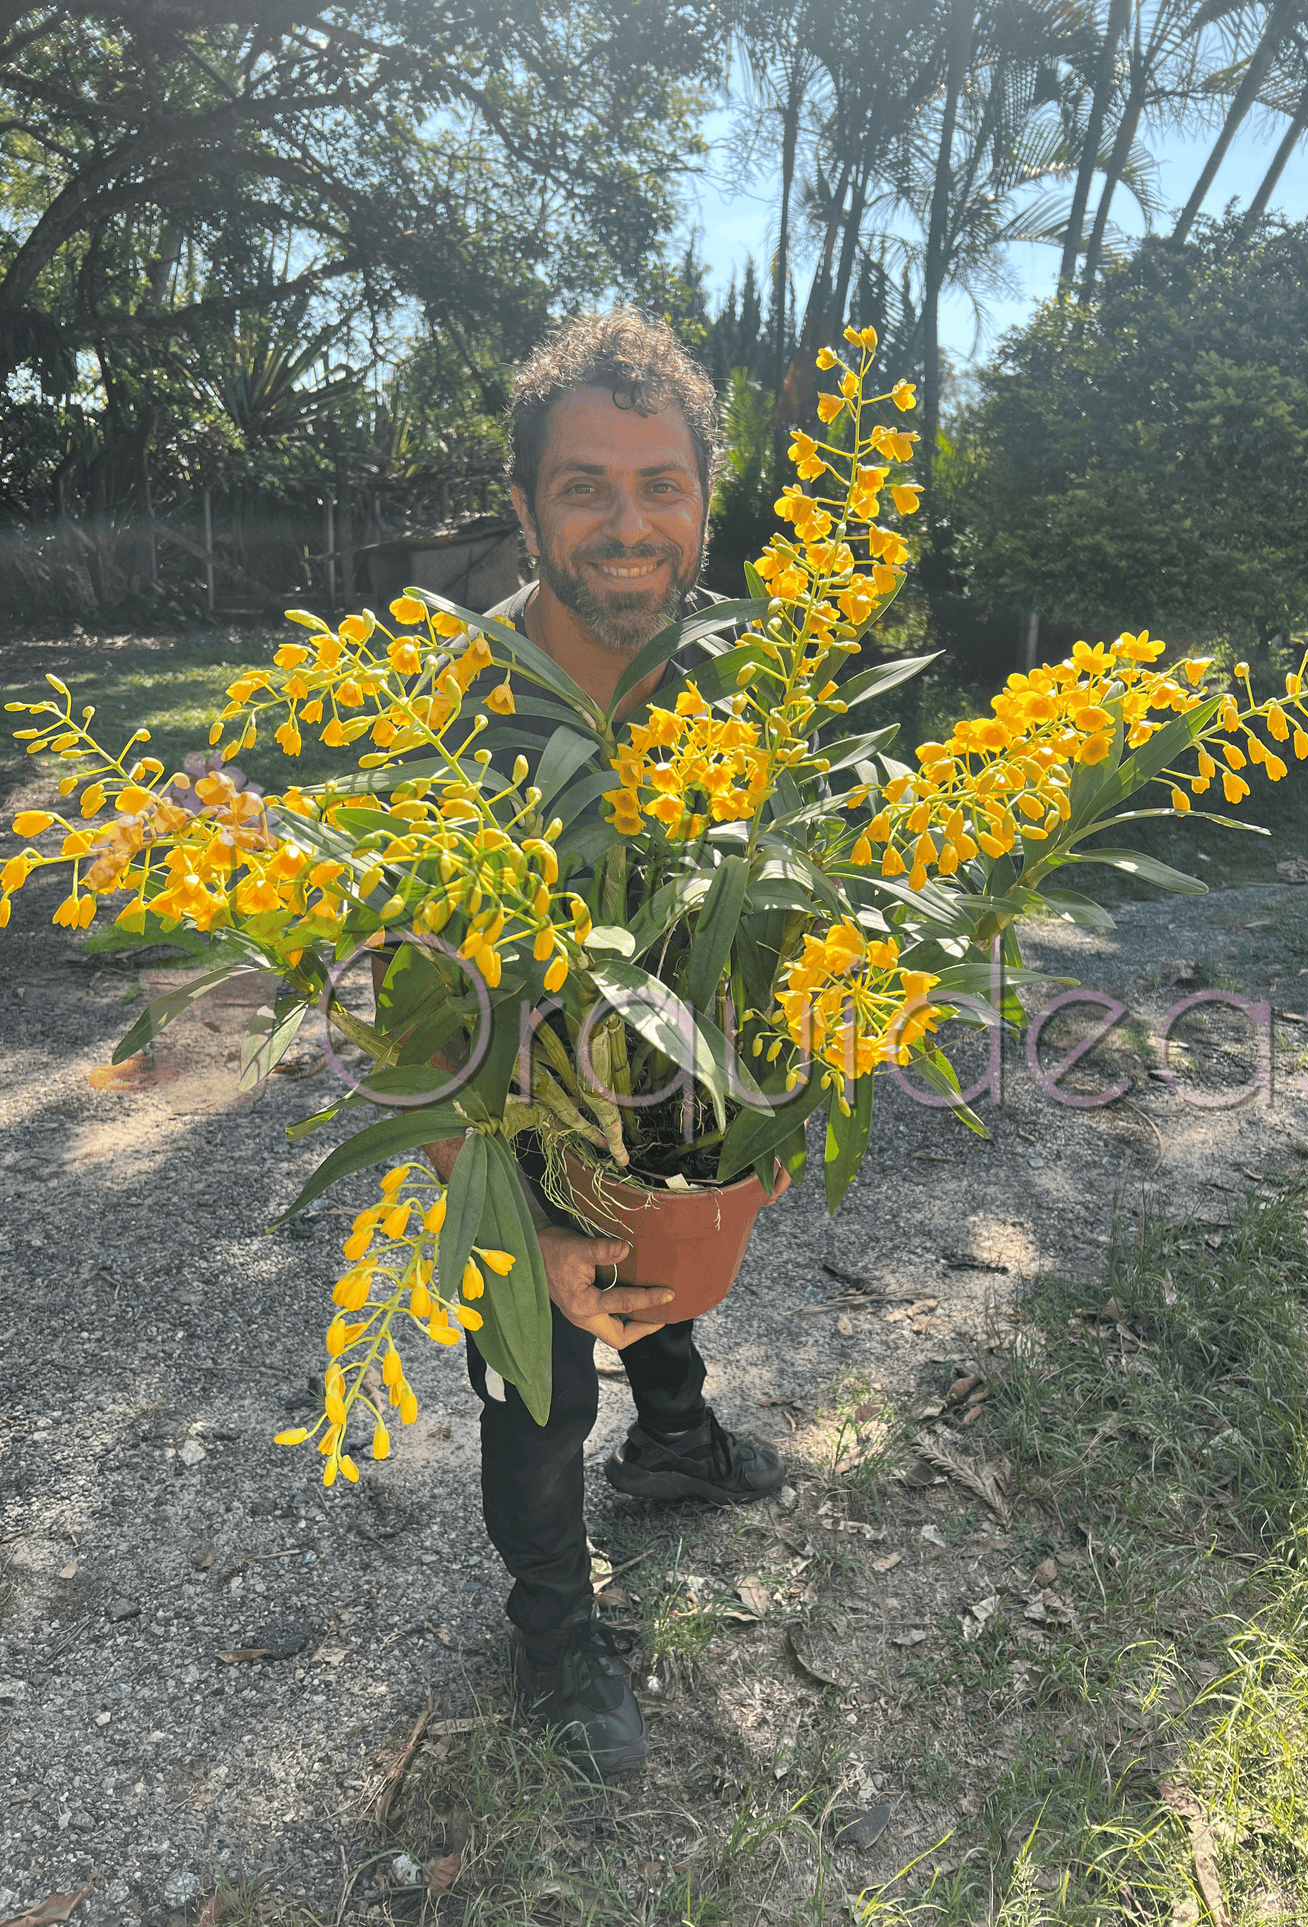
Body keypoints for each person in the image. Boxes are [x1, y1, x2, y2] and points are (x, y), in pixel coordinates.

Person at [411, 310, 786, 1775]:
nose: (629, 524)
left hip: (658, 1076)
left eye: (662, 484)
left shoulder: (737, 686)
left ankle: (677, 1438)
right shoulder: (451, 714)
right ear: (523, 510)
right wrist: (497, 1200)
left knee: (673, 1218)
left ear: (705, 502)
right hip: (512, 1102)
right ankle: (554, 1630)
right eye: (585, 486)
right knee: (540, 1369)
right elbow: (395, 1013)